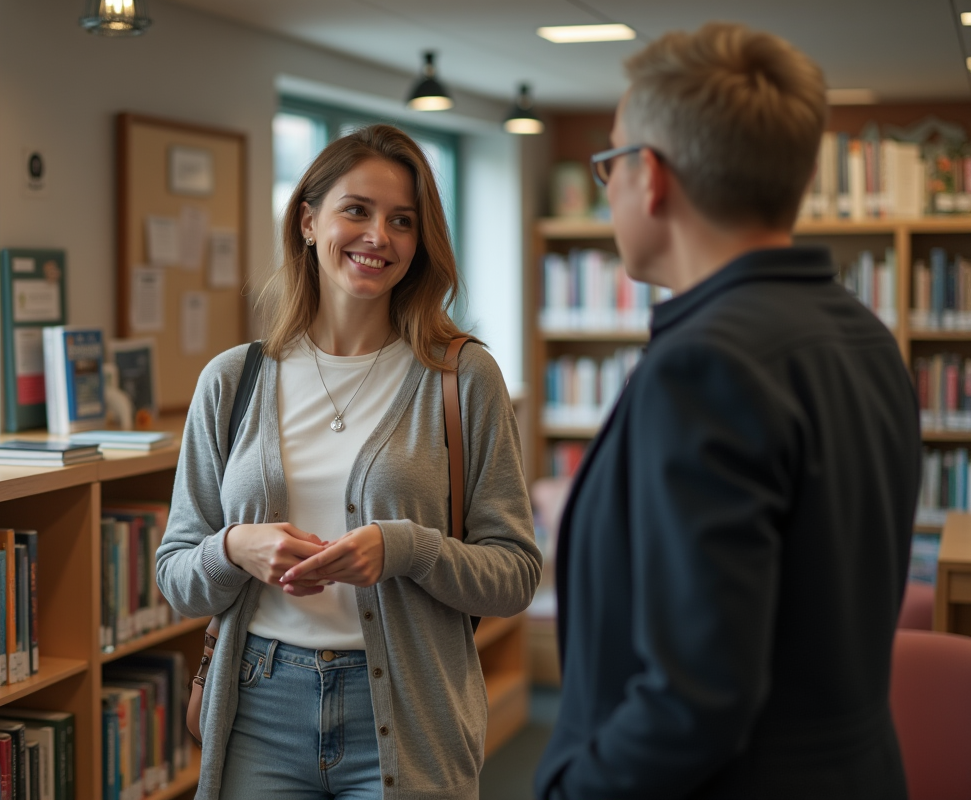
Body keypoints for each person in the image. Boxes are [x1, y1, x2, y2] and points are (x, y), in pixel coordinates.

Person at [535, 22, 921, 800]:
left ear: (651, 177)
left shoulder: (705, 364)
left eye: (608, 162)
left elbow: (695, 699)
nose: (608, 188)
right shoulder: (864, 334)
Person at [157, 123, 541, 800]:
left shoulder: (462, 376)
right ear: (308, 221)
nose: (379, 238)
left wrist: (407, 549)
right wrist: (235, 546)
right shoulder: (232, 380)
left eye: (402, 221)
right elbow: (178, 578)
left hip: (411, 706)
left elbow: (514, 577)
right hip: (259, 706)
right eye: (356, 211)